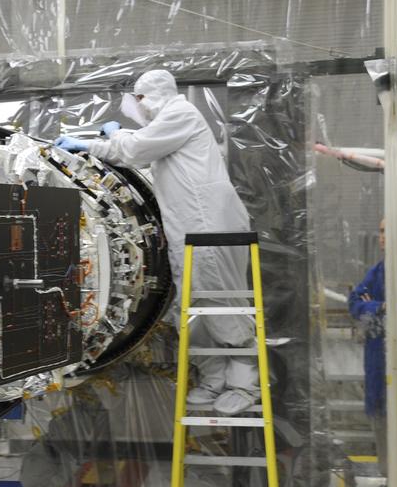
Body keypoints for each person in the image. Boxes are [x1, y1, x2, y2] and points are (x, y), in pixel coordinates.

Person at [57, 69, 258, 415]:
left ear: (147, 96)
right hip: (190, 230)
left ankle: (245, 385)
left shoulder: (181, 113)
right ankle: (214, 379)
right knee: (190, 311)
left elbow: (136, 149)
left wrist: (99, 142)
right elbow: (145, 147)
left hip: (209, 228)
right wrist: (115, 139)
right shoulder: (170, 122)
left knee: (220, 304)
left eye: (139, 100)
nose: (140, 107)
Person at [348, 219, 387, 487]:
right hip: (377, 354)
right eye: (381, 230)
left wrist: (376, 306)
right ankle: (392, 479)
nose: (382, 237)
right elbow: (354, 301)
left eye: (387, 231)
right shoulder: (378, 271)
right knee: (381, 419)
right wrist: (380, 305)